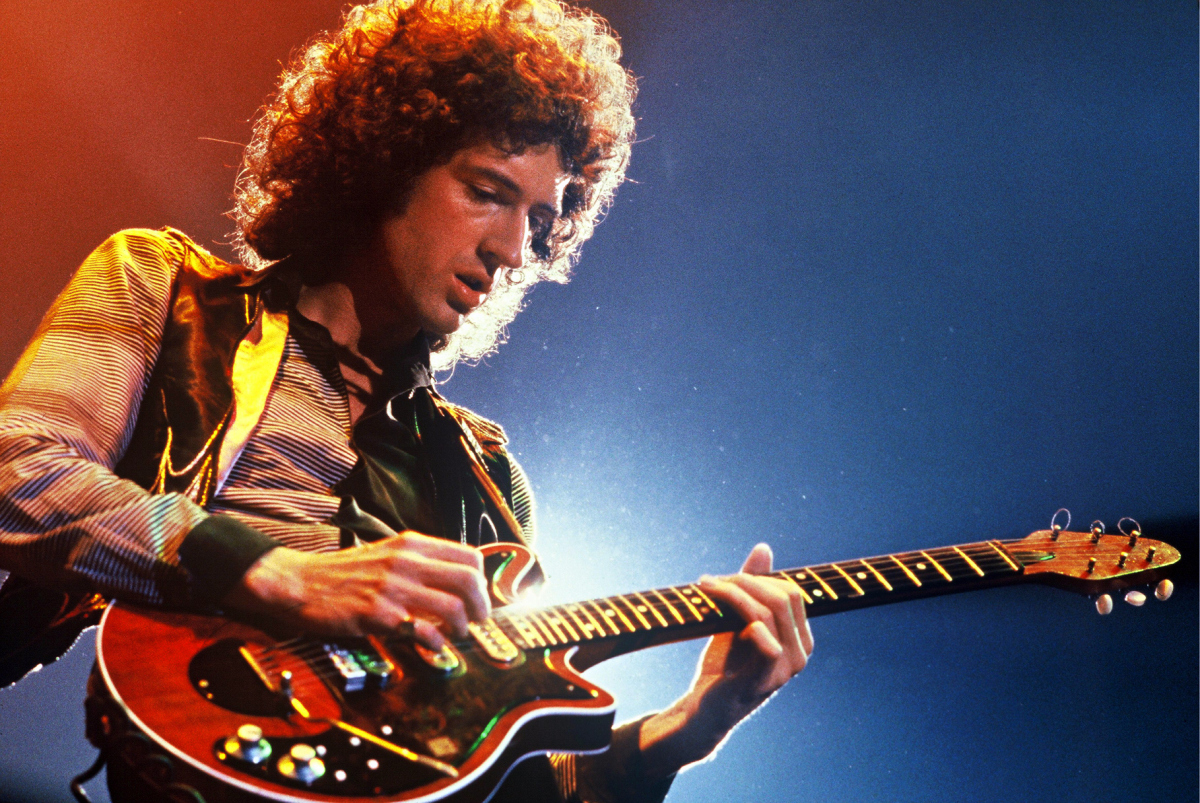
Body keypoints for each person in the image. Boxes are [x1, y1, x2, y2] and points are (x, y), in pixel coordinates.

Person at [0, 1, 813, 801]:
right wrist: (277, 574)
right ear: (384, 162)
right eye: (487, 191)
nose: (512, 249)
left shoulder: (486, 480)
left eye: (539, 219)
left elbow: (502, 781)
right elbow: (19, 469)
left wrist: (688, 727)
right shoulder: (165, 288)